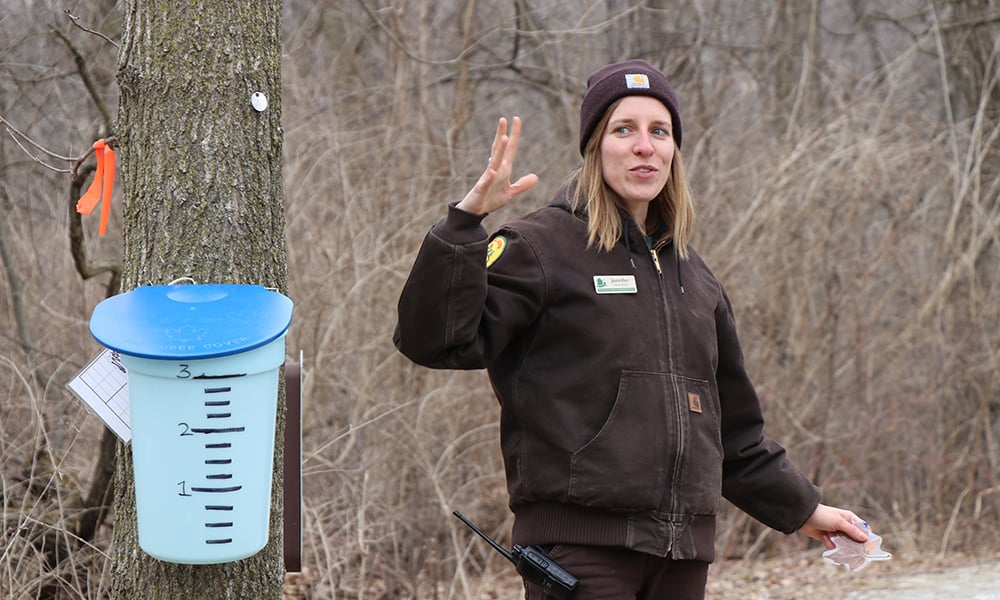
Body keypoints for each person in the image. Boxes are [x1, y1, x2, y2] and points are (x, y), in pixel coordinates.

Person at [393, 59, 869, 599]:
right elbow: (434, 341)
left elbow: (734, 435)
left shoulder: (698, 279)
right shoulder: (539, 248)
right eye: (625, 129)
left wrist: (805, 509)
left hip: (683, 557)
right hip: (580, 555)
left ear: (672, 151)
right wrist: (463, 224)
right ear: (596, 146)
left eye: (658, 132)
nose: (645, 146)